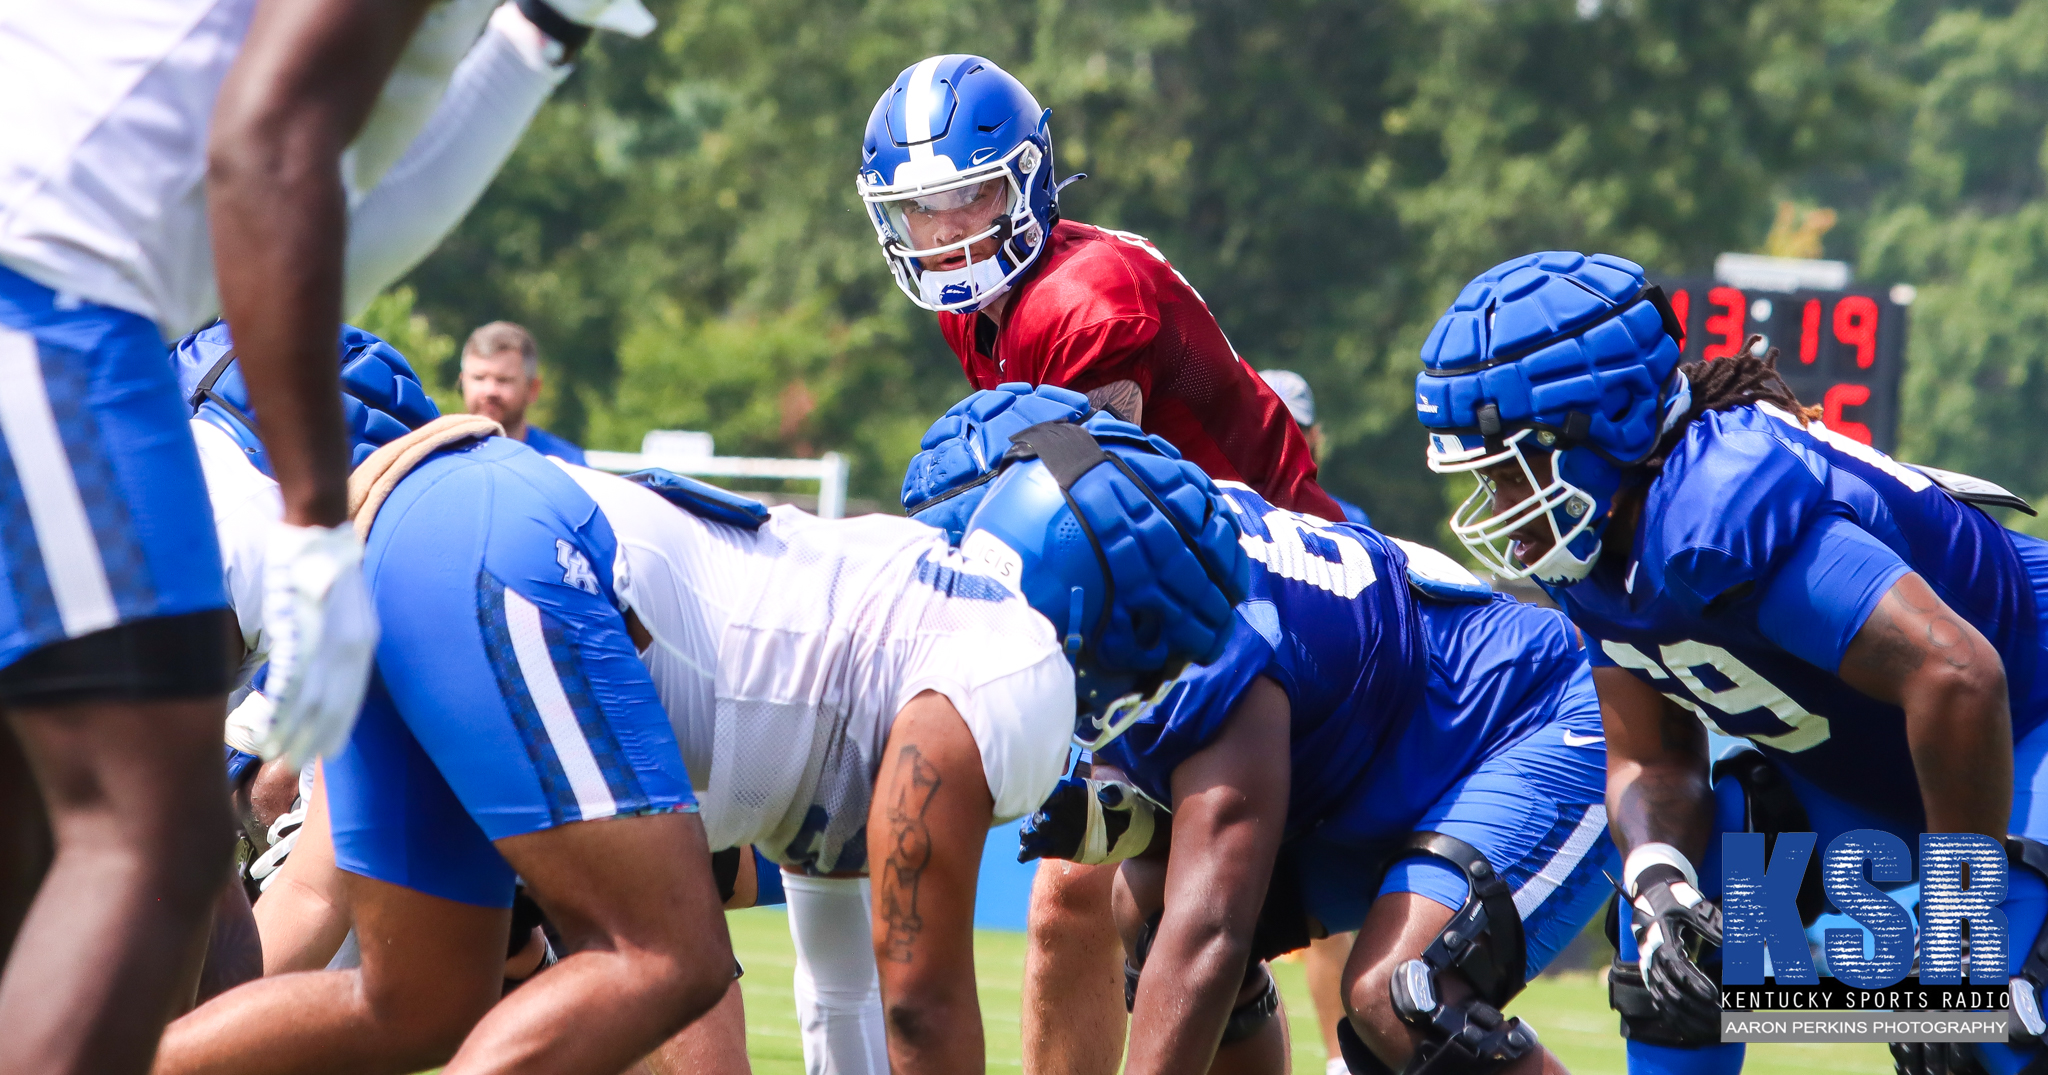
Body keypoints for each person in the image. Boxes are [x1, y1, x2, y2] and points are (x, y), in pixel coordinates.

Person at [0, 0, 633, 1067]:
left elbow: (342, 217)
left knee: (66, 839)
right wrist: (311, 521)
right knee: (149, 840)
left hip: (75, 293)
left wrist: (541, 38)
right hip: (53, 291)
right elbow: (266, 156)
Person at [1413, 250, 2048, 1075]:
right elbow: (1650, 758)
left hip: (2020, 732)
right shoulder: (1592, 539)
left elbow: (1960, 675)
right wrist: (1660, 882)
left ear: (1611, 422)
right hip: (1869, 774)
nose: (1503, 505)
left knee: (1990, 1031)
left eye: (1514, 466)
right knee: (1677, 960)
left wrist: (1958, 938)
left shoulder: (1717, 506)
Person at [908, 390, 1618, 1075]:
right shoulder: (1144, 559)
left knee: (1404, 996)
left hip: (1531, 723)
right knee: (1147, 899)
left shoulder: (1212, 628)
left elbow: (1211, 929)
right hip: (1379, 768)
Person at [857, 54, 1340, 521]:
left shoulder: (1086, 302)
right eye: (918, 206)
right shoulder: (967, 303)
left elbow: (1091, 512)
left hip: (1274, 558)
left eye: (966, 193)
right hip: (1183, 554)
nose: (943, 232)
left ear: (1029, 176)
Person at [459, 320, 588, 464]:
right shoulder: (438, 457)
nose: (490, 391)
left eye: (503, 380)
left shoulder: (567, 465)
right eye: (479, 378)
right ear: (462, 382)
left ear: (533, 388)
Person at [1259, 368, 1371, 526]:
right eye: (1267, 426)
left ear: (1313, 436)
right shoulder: (1218, 508)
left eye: (1292, 428)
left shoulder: (1348, 522)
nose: (1278, 439)